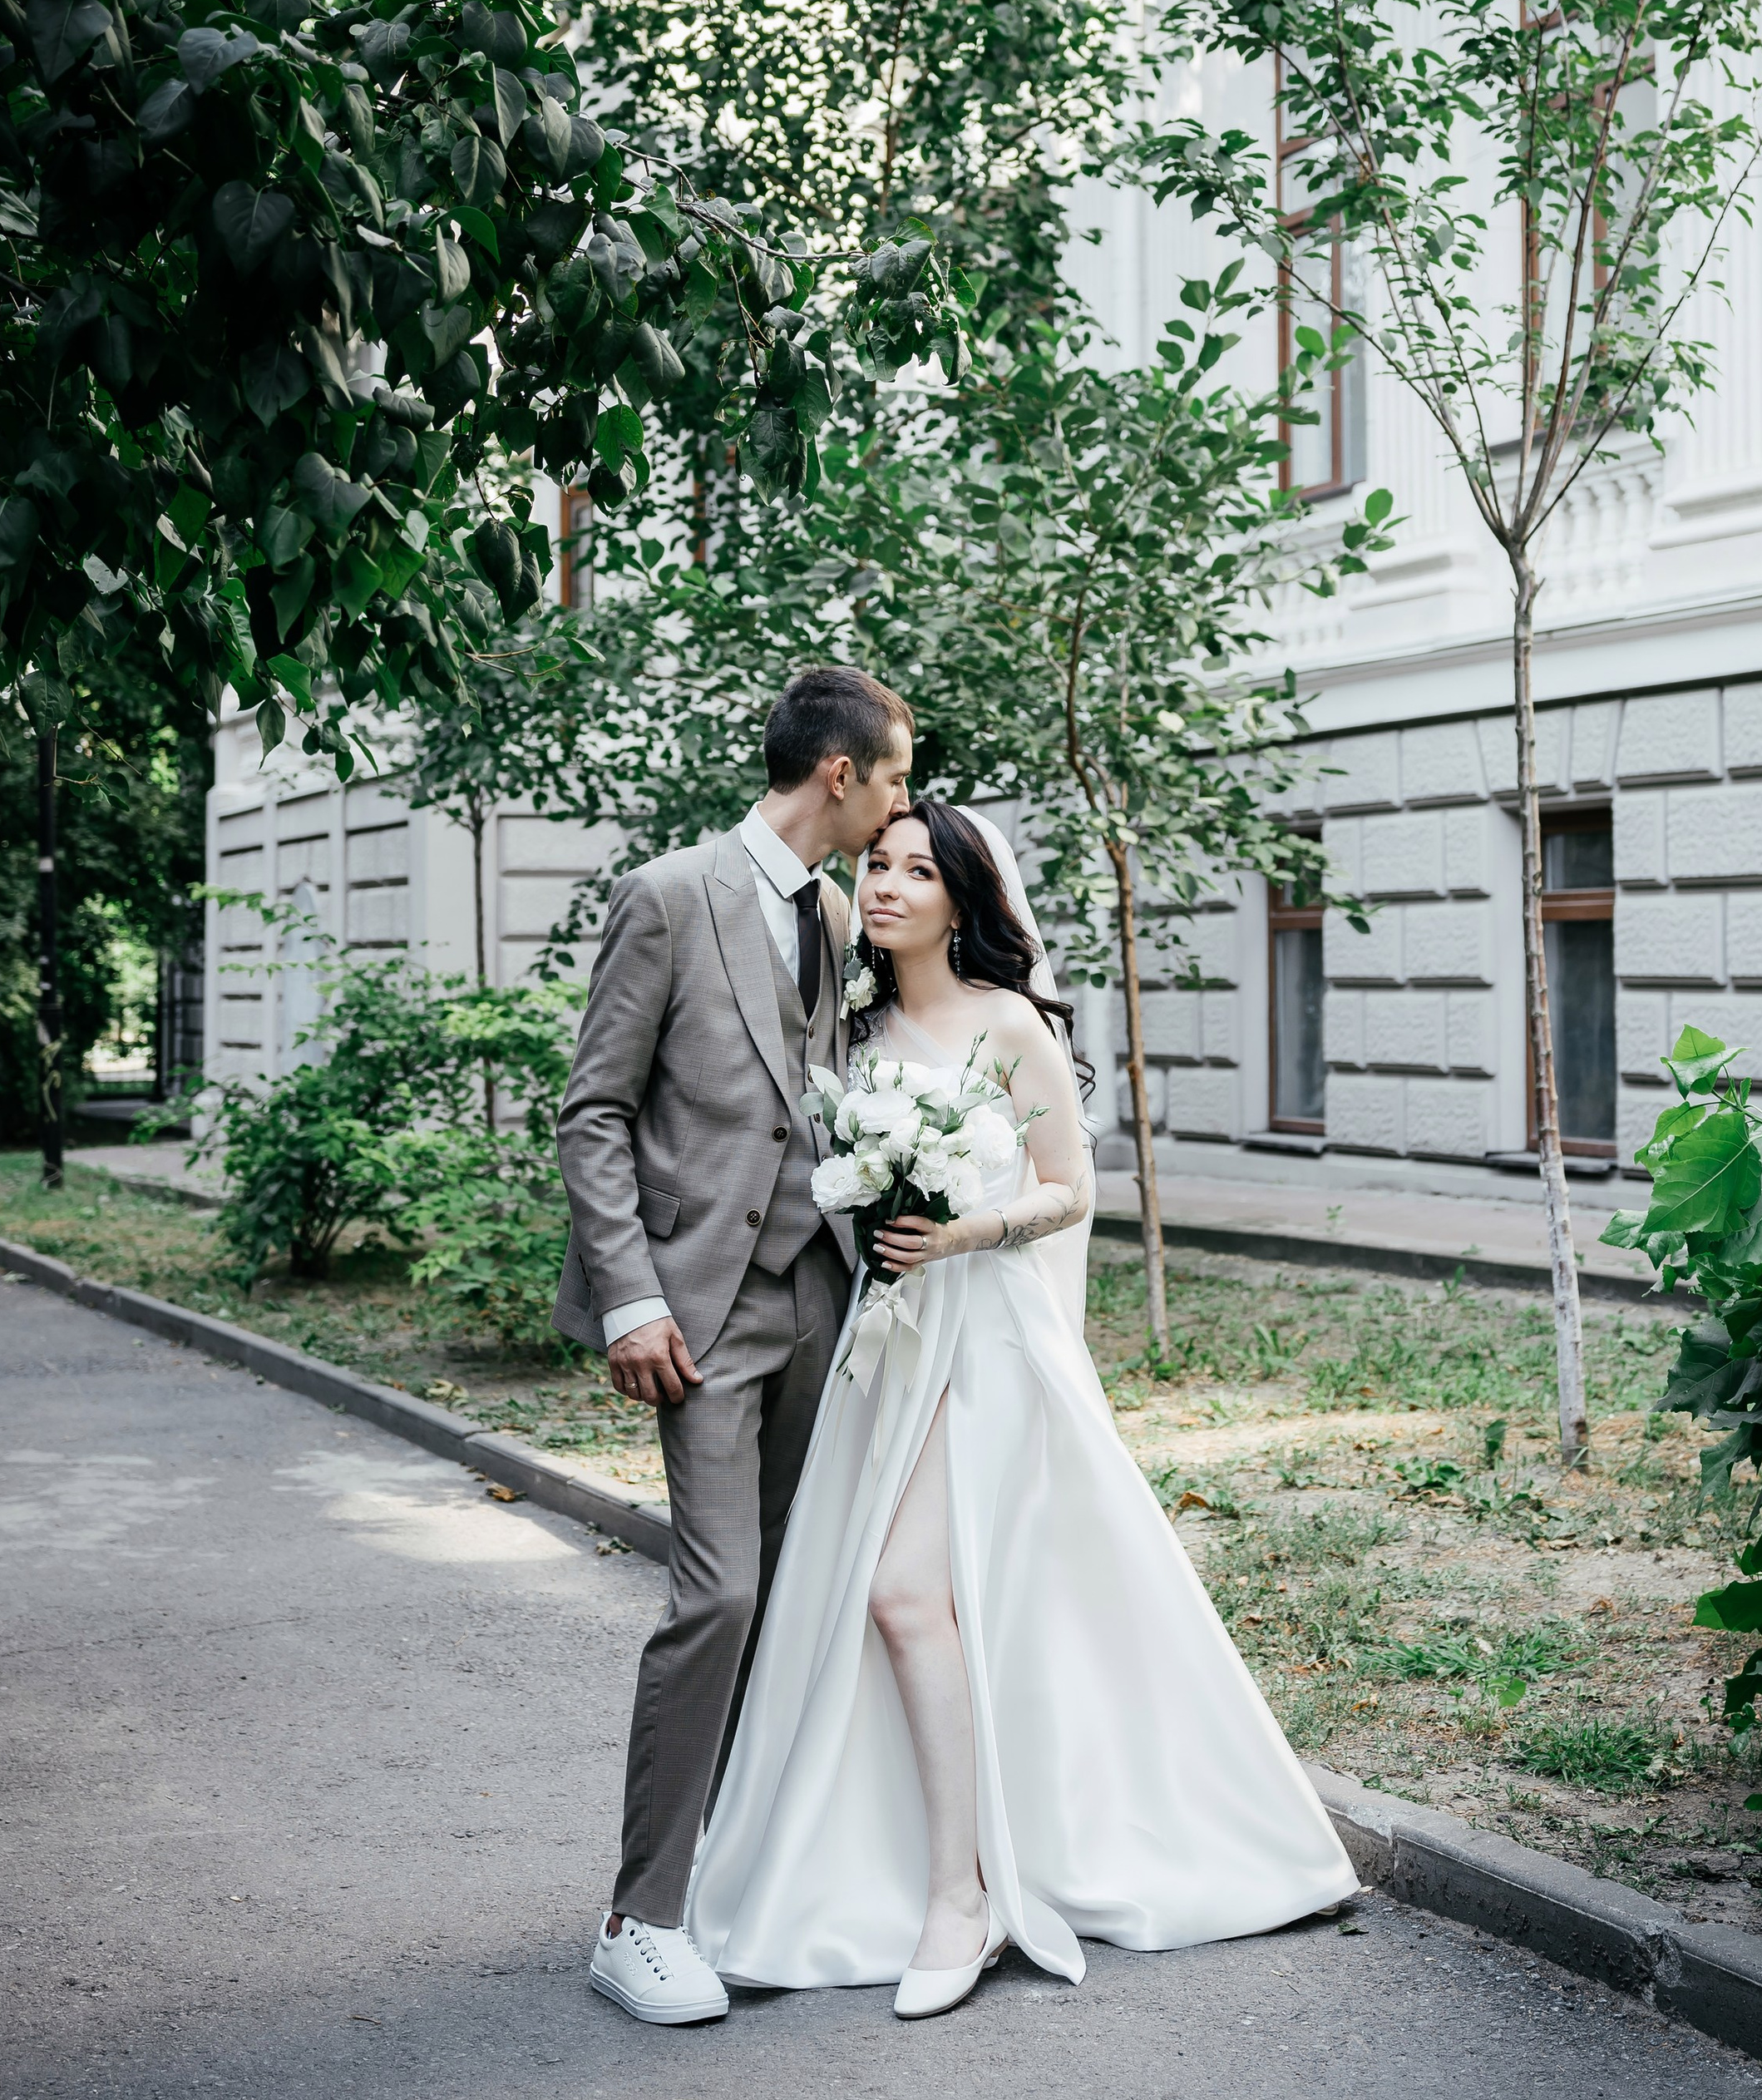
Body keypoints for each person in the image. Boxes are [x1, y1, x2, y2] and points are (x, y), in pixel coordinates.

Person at [684, 795, 1357, 2019]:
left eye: (913, 871)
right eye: (875, 865)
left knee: (899, 1591)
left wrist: (965, 1230)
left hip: (986, 1335)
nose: (883, 887)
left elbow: (1072, 1186)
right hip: (888, 1346)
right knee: (884, 1600)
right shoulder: (857, 1024)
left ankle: (964, 1892)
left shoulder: (1008, 1026)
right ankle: (909, 1866)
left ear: (963, 899)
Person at [554, 664, 915, 2024]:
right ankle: (634, 1916)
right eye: (891, 774)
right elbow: (593, 1111)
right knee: (718, 1597)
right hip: (699, 1314)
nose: (898, 799)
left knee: (803, 1592)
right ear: (839, 773)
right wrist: (633, 1298)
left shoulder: (831, 910)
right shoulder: (669, 894)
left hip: (817, 1298)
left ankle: (735, 1874)